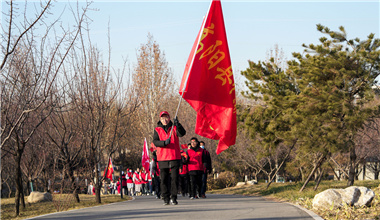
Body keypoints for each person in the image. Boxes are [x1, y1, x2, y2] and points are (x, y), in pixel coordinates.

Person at [153, 111, 186, 205]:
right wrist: (163, 143)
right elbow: (155, 141)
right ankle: (165, 197)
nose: (165, 120)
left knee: (175, 178)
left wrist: (178, 124)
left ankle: (174, 197)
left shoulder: (174, 127)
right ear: (160, 119)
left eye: (166, 117)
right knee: (163, 179)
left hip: (174, 156)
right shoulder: (157, 129)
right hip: (162, 157)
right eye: (163, 118)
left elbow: (182, 133)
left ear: (169, 118)